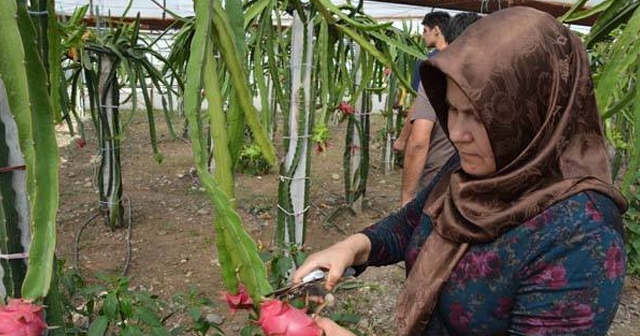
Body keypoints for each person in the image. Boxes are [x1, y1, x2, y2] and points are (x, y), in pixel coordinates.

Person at [295, 7, 628, 336]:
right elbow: (414, 220)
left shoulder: (585, 236)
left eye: (481, 116)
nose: (457, 132)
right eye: (453, 109)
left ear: (535, 112)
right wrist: (353, 247)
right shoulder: (477, 167)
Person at [396, 13, 482, 206]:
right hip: (482, 183)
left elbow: (419, 140)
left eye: (425, 30)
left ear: (441, 32)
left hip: (438, 178)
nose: (422, 35)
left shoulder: (432, 71)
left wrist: (407, 198)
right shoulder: (502, 78)